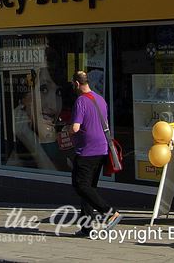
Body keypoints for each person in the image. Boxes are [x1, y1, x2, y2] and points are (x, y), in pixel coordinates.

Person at [69, 70, 121, 236]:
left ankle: (110, 212)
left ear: (77, 84)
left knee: (80, 185)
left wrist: (66, 130)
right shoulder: (100, 100)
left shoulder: (81, 101)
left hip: (87, 151)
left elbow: (76, 127)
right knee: (89, 188)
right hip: (102, 149)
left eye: (73, 84)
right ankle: (86, 227)